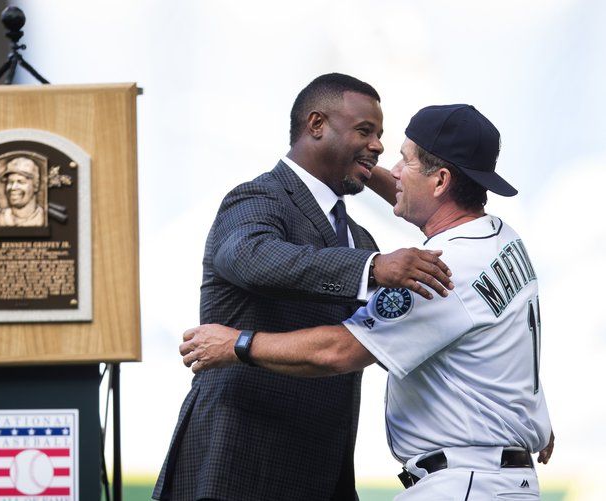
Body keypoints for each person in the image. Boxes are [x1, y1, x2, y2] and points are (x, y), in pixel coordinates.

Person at [180, 104, 555, 500]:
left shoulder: (438, 271)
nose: (391, 169)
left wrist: (236, 344)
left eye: (404, 160)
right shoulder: (502, 238)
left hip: (461, 484)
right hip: (506, 476)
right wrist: (350, 165)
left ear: (442, 180)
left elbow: (338, 351)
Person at [154, 74, 455, 501]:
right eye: (364, 131)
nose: (378, 146)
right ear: (316, 125)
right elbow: (253, 259)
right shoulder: (257, 199)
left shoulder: (360, 238)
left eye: (380, 135)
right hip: (239, 464)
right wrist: (372, 268)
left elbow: (396, 337)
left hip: (321, 468)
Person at [0, 155, 45, 227]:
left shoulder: (42, 218)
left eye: (21, 182)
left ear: (36, 185)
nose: (13, 187)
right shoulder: (0, 219)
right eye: (10, 182)